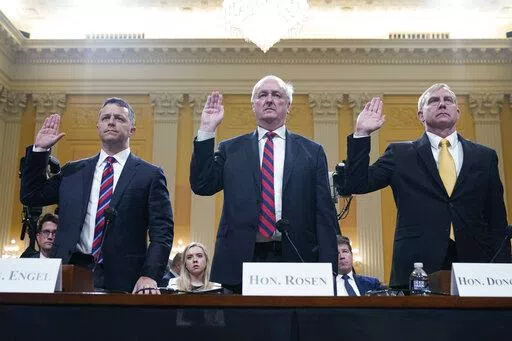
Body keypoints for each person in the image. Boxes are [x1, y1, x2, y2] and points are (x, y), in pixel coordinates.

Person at [344, 83, 510, 288]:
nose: (442, 104)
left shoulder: (484, 157)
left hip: (477, 263)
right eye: (434, 101)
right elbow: (356, 183)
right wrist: (362, 134)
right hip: (417, 264)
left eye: (448, 100)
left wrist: (504, 270)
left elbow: (496, 219)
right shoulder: (400, 154)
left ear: (457, 112)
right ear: (421, 115)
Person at [190, 75, 339, 292]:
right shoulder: (230, 149)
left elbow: (324, 213)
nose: (269, 100)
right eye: (262, 95)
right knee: (243, 325)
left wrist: (330, 268)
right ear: (254, 105)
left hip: (299, 260)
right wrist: (206, 130)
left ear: (288, 106)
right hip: (241, 260)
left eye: (277, 95)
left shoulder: (312, 152)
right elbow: (202, 185)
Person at [20, 97, 174, 294]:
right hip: (69, 273)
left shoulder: (149, 175)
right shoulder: (72, 171)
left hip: (125, 281)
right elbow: (31, 195)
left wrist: (150, 275)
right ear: (98, 126)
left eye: (119, 118)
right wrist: (40, 150)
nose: (111, 121)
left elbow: (162, 233)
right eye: (105, 118)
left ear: (132, 130)